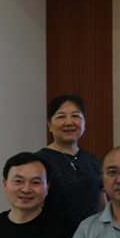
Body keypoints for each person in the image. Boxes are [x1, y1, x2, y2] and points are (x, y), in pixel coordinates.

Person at [37, 95, 105, 225]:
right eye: (61, 117)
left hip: (93, 234)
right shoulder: (39, 161)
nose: (69, 122)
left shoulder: (92, 159)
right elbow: (36, 208)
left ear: (84, 123)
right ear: (49, 125)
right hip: (55, 234)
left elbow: (101, 205)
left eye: (75, 116)